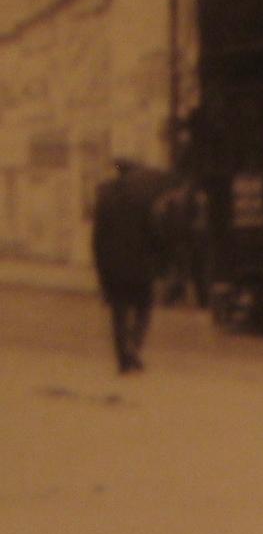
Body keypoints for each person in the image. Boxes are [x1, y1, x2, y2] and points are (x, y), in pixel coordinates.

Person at [91, 157, 164, 374]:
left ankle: (123, 360)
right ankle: (133, 348)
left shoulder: (105, 198)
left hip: (113, 268)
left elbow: (97, 239)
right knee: (144, 309)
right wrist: (159, 260)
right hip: (140, 266)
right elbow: (155, 234)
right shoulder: (143, 199)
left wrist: (101, 269)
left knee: (118, 314)